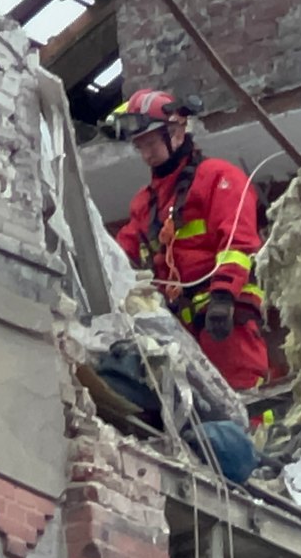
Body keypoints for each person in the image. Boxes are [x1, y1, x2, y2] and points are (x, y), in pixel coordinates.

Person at [105, 88, 269, 393]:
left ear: (177, 132)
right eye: (139, 147)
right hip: (178, 326)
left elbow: (239, 242)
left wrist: (223, 297)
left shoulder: (219, 178)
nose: (146, 155)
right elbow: (117, 254)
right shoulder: (145, 204)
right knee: (195, 407)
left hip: (225, 316)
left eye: (151, 144)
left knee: (243, 394)